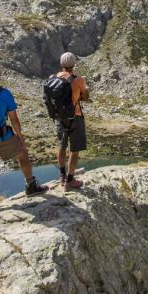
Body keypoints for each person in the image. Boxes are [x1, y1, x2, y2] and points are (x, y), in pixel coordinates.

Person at [0, 63, 48, 214]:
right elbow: (13, 119)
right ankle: (31, 186)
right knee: (22, 154)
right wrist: (20, 137)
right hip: (0, 137)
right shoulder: (4, 93)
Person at [54, 52, 88, 190]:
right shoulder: (79, 80)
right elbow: (85, 97)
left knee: (62, 146)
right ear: (73, 64)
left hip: (60, 118)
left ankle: (62, 175)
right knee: (75, 149)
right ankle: (70, 180)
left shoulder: (54, 78)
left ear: (61, 64)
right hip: (75, 117)